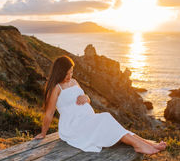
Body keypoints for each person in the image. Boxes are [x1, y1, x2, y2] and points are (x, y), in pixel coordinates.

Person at [35, 56, 166, 155]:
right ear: (59, 72)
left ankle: (146, 142)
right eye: (67, 73)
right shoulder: (56, 88)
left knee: (108, 121)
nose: (70, 76)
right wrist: (43, 133)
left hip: (87, 120)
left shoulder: (74, 81)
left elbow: (87, 99)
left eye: (71, 72)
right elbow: (49, 113)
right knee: (106, 118)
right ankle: (139, 145)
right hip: (73, 126)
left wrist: (86, 97)